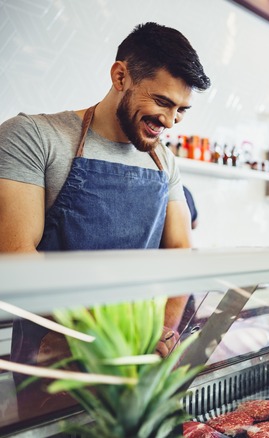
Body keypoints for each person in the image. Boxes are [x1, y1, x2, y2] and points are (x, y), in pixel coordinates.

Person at [0, 21, 210, 410]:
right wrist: (108, 343)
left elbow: (180, 250)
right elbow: (15, 257)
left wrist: (163, 332)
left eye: (181, 110)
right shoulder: (33, 137)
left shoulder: (164, 161)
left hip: (138, 364)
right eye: (162, 102)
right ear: (120, 76)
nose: (170, 121)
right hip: (54, 360)